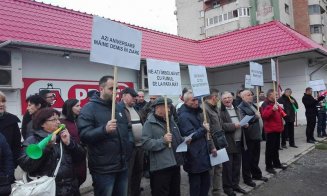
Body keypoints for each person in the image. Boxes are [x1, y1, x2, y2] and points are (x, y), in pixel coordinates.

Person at [77, 76, 132, 196]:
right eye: (111, 88)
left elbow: (126, 131)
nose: (115, 92)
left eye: (117, 88)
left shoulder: (118, 107)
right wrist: (104, 130)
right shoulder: (89, 109)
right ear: (101, 89)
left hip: (122, 165)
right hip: (103, 168)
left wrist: (128, 151)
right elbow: (84, 136)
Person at [18, 108, 85, 196]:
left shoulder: (63, 136)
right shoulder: (32, 140)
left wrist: (70, 143)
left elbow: (80, 158)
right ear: (42, 124)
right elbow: (26, 165)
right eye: (54, 120)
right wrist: (47, 148)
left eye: (58, 119)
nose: (58, 122)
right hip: (47, 189)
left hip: (70, 189)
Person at [142, 97, 184, 196]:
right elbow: (146, 143)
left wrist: (184, 140)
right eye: (167, 107)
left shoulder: (171, 120)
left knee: (175, 192)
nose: (169, 110)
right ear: (158, 108)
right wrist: (163, 141)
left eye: (169, 107)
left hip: (175, 163)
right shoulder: (149, 123)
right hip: (161, 167)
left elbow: (177, 136)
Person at [178, 91, 216, 196]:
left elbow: (205, 136)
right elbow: (190, 136)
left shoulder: (197, 112)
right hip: (193, 156)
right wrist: (203, 129)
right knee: (196, 186)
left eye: (196, 99)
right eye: (193, 100)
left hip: (203, 153)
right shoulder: (184, 116)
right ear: (185, 101)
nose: (196, 102)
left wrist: (211, 147)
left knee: (206, 184)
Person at [238, 90, 267, 188]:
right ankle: (247, 179)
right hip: (248, 137)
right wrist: (255, 117)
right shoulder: (240, 107)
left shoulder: (253, 105)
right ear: (242, 97)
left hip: (256, 135)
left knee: (255, 157)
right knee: (247, 159)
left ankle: (256, 174)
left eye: (251, 94)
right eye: (248, 95)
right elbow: (242, 121)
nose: (251, 96)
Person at [219, 92, 246, 196]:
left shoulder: (237, 109)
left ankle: (235, 185)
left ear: (233, 98)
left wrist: (244, 124)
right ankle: (227, 188)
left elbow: (241, 121)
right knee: (227, 167)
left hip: (239, 141)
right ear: (222, 100)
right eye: (225, 98)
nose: (227, 99)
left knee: (236, 166)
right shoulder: (220, 111)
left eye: (229, 97)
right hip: (228, 143)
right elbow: (221, 126)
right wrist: (234, 125)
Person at [118, 87, 143, 196]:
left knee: (138, 173)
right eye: (132, 96)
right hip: (129, 148)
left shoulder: (136, 108)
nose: (135, 98)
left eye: (135, 96)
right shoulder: (119, 109)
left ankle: (136, 193)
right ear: (124, 96)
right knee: (128, 175)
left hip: (140, 147)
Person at [61, 99, 87, 188]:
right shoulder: (62, 123)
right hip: (70, 161)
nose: (80, 108)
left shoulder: (78, 120)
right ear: (69, 108)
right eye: (77, 106)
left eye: (80, 105)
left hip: (80, 158)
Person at [203, 89, 224, 196]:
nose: (219, 99)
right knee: (211, 171)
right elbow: (208, 131)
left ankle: (217, 192)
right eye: (218, 97)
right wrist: (212, 146)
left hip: (219, 142)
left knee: (219, 168)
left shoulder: (215, 108)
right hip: (212, 144)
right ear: (214, 97)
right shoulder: (205, 109)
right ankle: (210, 192)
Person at [261, 89, 287, 174]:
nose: (277, 95)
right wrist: (272, 110)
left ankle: (277, 163)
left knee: (276, 148)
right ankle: (269, 166)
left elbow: (280, 113)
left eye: (277, 94)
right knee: (270, 149)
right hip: (270, 130)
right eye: (275, 94)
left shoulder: (275, 103)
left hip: (277, 129)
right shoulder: (265, 104)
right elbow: (264, 116)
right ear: (269, 95)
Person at [0, 91, 21, 167]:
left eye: (3, 101)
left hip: (7, 166)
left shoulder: (11, 120)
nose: (1, 104)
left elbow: (16, 145)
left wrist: (13, 163)